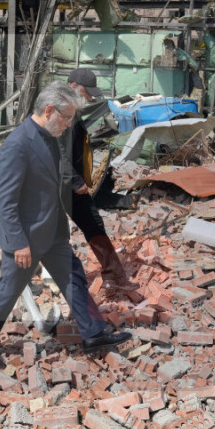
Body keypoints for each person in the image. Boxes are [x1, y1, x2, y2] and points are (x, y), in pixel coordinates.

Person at [0, 82, 130, 368]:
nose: (70, 123)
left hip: (53, 231)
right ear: (49, 111)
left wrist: (77, 184)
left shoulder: (51, 136)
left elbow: (60, 168)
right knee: (8, 290)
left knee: (74, 278)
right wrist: (18, 242)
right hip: (26, 237)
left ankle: (94, 333)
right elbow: (6, 201)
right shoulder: (18, 145)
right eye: (67, 117)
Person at [64, 68, 136, 294]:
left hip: (73, 186)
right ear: (74, 87)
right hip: (57, 186)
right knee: (50, 235)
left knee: (94, 224)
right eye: (87, 93)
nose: (89, 99)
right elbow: (55, 155)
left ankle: (114, 277)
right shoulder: (60, 113)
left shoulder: (73, 111)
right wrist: (75, 181)